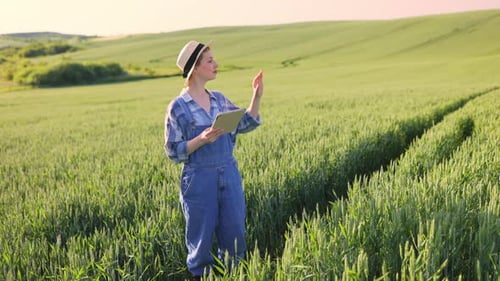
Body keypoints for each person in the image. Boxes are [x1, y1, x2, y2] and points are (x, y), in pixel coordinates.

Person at [164, 40, 264, 279]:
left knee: (235, 231)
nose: (216, 64)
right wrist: (201, 139)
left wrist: (256, 96)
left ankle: (233, 275)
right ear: (195, 68)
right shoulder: (178, 107)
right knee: (200, 235)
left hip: (228, 172)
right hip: (199, 177)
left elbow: (245, 123)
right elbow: (172, 150)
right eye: (210, 60)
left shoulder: (219, 98)